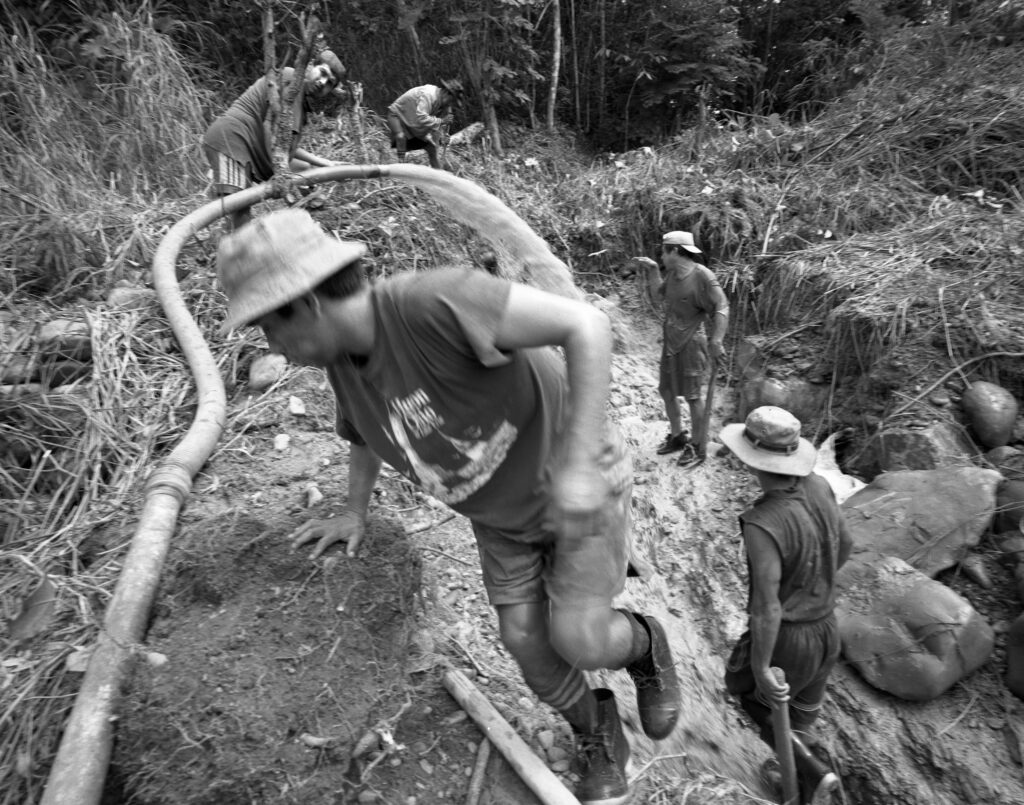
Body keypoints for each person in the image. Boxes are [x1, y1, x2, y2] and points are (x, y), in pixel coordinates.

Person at [216, 209, 682, 805]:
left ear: (303, 304)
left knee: (580, 637)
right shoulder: (343, 368)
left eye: (267, 327)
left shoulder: (433, 303)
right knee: (526, 643)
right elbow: (362, 435)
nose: (271, 344)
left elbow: (586, 326)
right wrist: (353, 512)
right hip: (500, 519)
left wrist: (581, 462)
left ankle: (644, 645)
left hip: (576, 485)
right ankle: (596, 729)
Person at [718, 406, 853, 804]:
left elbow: (767, 607)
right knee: (802, 709)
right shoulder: (820, 486)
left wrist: (760, 666)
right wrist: (817, 582)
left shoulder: (763, 522)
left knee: (749, 694)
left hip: (791, 638)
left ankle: (813, 779)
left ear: (753, 460)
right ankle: (798, 768)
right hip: (828, 626)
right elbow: (846, 544)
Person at [201, 50, 346, 230]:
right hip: (232, 140)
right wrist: (284, 181)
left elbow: (282, 147)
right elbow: (273, 140)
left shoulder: (299, 100)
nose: (322, 82)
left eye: (329, 83)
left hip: (246, 147)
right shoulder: (291, 81)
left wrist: (325, 163)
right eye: (322, 73)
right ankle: (227, 252)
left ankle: (311, 216)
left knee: (304, 169)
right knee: (239, 217)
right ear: (310, 66)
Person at [636, 231, 729, 467]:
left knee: (693, 396)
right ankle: (678, 436)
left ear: (675, 251)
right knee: (666, 391)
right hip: (671, 341)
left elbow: (722, 305)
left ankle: (697, 445)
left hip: (691, 343)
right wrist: (655, 271)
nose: (662, 256)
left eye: (664, 252)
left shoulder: (703, 276)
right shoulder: (674, 274)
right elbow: (659, 296)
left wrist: (717, 340)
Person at [386, 79, 464, 169]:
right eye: (451, 100)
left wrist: (444, 137)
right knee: (400, 137)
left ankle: (439, 177)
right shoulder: (428, 94)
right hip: (398, 117)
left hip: (414, 127)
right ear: (446, 93)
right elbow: (422, 117)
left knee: (431, 148)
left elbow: (437, 129)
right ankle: (400, 169)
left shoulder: (443, 106)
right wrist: (442, 121)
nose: (450, 104)